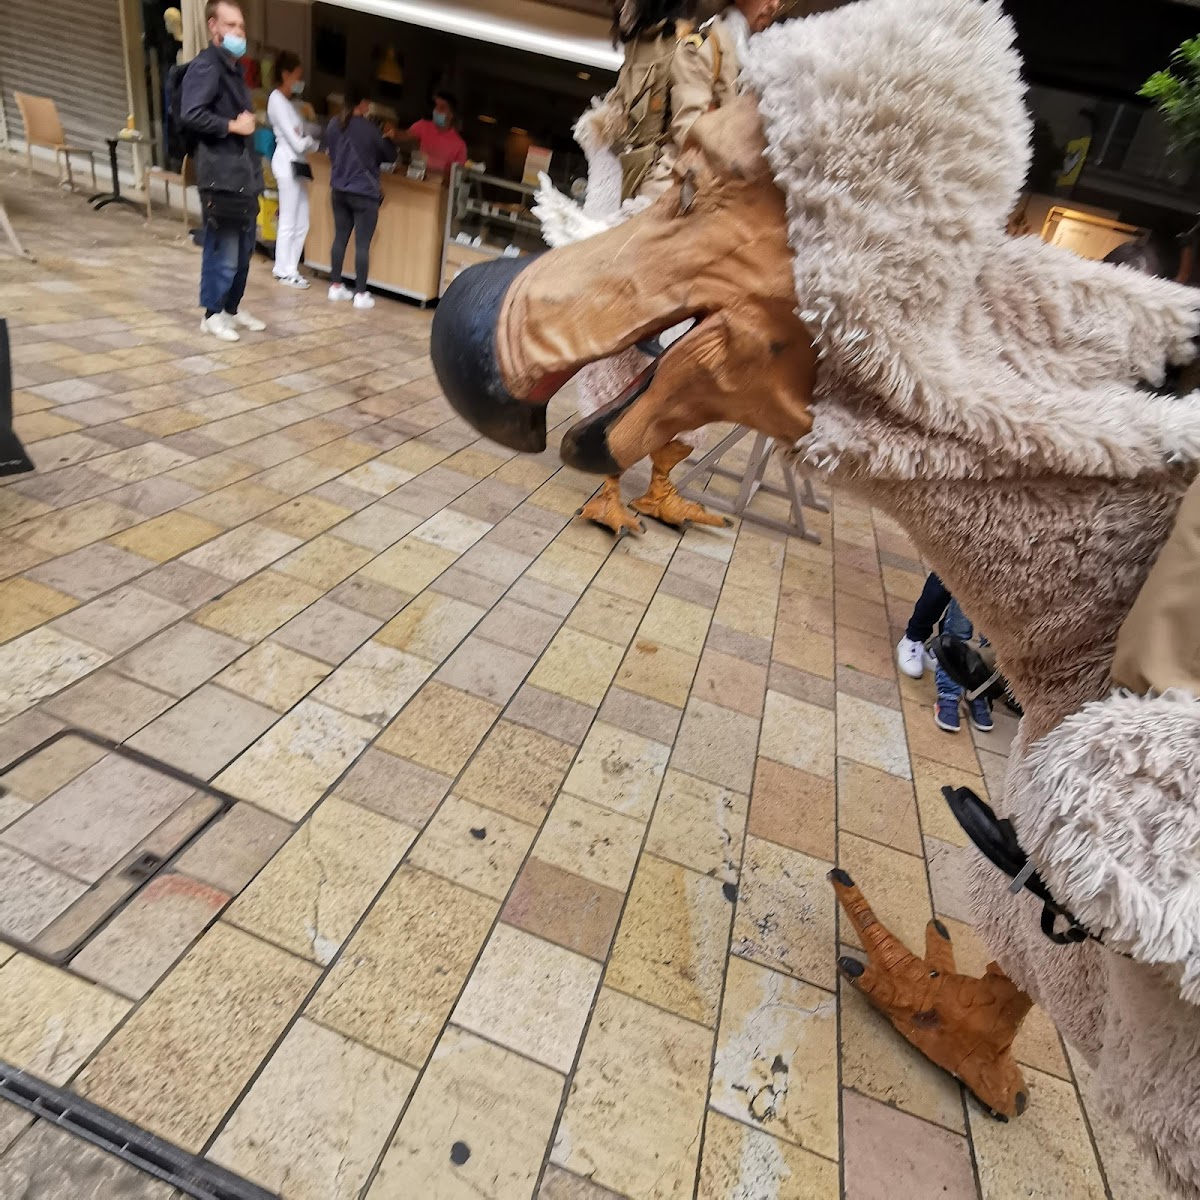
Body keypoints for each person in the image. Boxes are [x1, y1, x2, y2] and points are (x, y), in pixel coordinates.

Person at [181, 0, 266, 343]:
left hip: (242, 176)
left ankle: (231, 308)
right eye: (231, 26)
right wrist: (232, 125)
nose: (238, 33)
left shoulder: (233, 70)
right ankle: (212, 314)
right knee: (224, 250)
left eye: (241, 27)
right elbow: (191, 113)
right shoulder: (206, 67)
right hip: (220, 176)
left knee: (244, 250)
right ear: (213, 26)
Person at [325, 85, 402, 310]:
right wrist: (389, 138)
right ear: (362, 104)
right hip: (364, 193)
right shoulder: (370, 130)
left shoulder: (333, 124)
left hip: (339, 190)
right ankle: (360, 294)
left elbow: (331, 151)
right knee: (362, 245)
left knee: (340, 238)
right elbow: (389, 156)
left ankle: (335, 286)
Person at [897, 572, 992, 733]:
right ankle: (948, 693)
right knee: (959, 626)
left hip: (1019, 569)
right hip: (977, 562)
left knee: (995, 637)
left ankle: (978, 691)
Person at [268, 50, 316, 288]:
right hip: (286, 164)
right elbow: (299, 141)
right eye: (297, 75)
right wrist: (306, 140)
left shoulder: (290, 103)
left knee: (302, 220)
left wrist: (305, 139)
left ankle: (291, 266)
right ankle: (283, 268)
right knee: (288, 218)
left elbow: (304, 135)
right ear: (286, 74)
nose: (299, 80)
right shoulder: (276, 100)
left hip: (297, 165)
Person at [405, 91, 468, 175]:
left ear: (451, 114)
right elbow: (405, 137)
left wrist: (431, 162)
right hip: (415, 180)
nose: (436, 110)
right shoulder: (422, 125)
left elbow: (457, 175)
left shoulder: (460, 146)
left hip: (438, 186)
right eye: (436, 106)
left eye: (442, 108)